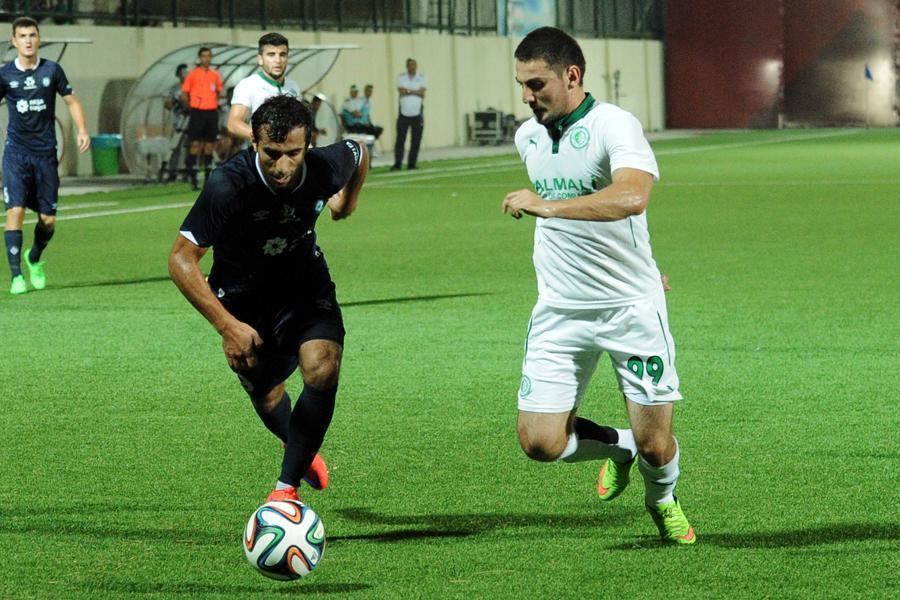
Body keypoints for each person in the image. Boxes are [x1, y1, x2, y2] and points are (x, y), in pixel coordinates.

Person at [501, 27, 695, 545]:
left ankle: (661, 498)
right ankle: (618, 446)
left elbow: (632, 197)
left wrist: (548, 206)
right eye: (521, 85)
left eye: (536, 84)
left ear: (572, 75)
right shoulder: (527, 137)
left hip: (629, 309)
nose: (527, 97)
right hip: (560, 310)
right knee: (540, 442)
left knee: (658, 446)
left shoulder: (614, 125)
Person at [168, 95, 369, 504]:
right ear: (254, 144)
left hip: (304, 283)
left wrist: (347, 202)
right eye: (271, 153)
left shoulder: (326, 166)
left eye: (293, 153)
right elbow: (181, 259)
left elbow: (360, 151)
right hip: (242, 299)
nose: (282, 166)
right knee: (268, 393)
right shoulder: (228, 185)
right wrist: (227, 326)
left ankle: (285, 490)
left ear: (308, 144)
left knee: (323, 365)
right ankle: (298, 444)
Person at [1, 16, 90, 296]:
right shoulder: (5, 74)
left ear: (39, 39)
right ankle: (16, 276)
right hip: (16, 154)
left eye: (32, 35)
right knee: (14, 211)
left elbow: (72, 101)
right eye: (22, 36)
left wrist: (82, 130)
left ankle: (34, 257)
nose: (28, 41)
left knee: (48, 221)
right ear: (14, 41)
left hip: (45, 155)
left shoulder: (52, 70)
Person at [227, 32, 300, 144]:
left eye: (282, 55)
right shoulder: (248, 85)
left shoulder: (293, 86)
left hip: (290, 150)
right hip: (262, 152)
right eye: (271, 55)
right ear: (260, 59)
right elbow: (233, 124)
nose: (278, 60)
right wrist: (265, 138)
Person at [181, 46, 223, 189]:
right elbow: (185, 94)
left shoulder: (215, 74)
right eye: (204, 56)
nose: (206, 58)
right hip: (197, 112)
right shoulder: (192, 74)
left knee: (209, 145)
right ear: (199, 58)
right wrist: (190, 108)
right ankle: (193, 179)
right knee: (195, 144)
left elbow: (218, 91)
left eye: (209, 56)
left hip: (211, 112)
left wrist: (213, 103)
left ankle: (207, 180)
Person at [392, 58, 426, 171]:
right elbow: (401, 91)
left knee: (416, 140)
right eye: (410, 65)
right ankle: (398, 163)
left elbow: (422, 93)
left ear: (416, 66)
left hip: (417, 113)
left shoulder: (421, 77)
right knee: (400, 139)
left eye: (413, 65)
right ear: (407, 66)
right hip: (404, 113)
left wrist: (409, 91)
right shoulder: (401, 77)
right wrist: (415, 91)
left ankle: (412, 163)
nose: (412, 67)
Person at [161, 63, 189, 182]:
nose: (185, 75)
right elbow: (168, 104)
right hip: (180, 120)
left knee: (190, 145)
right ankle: (172, 171)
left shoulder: (195, 86)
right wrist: (174, 102)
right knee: (175, 146)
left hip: (193, 119)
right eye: (182, 73)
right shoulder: (175, 89)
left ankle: (188, 171)